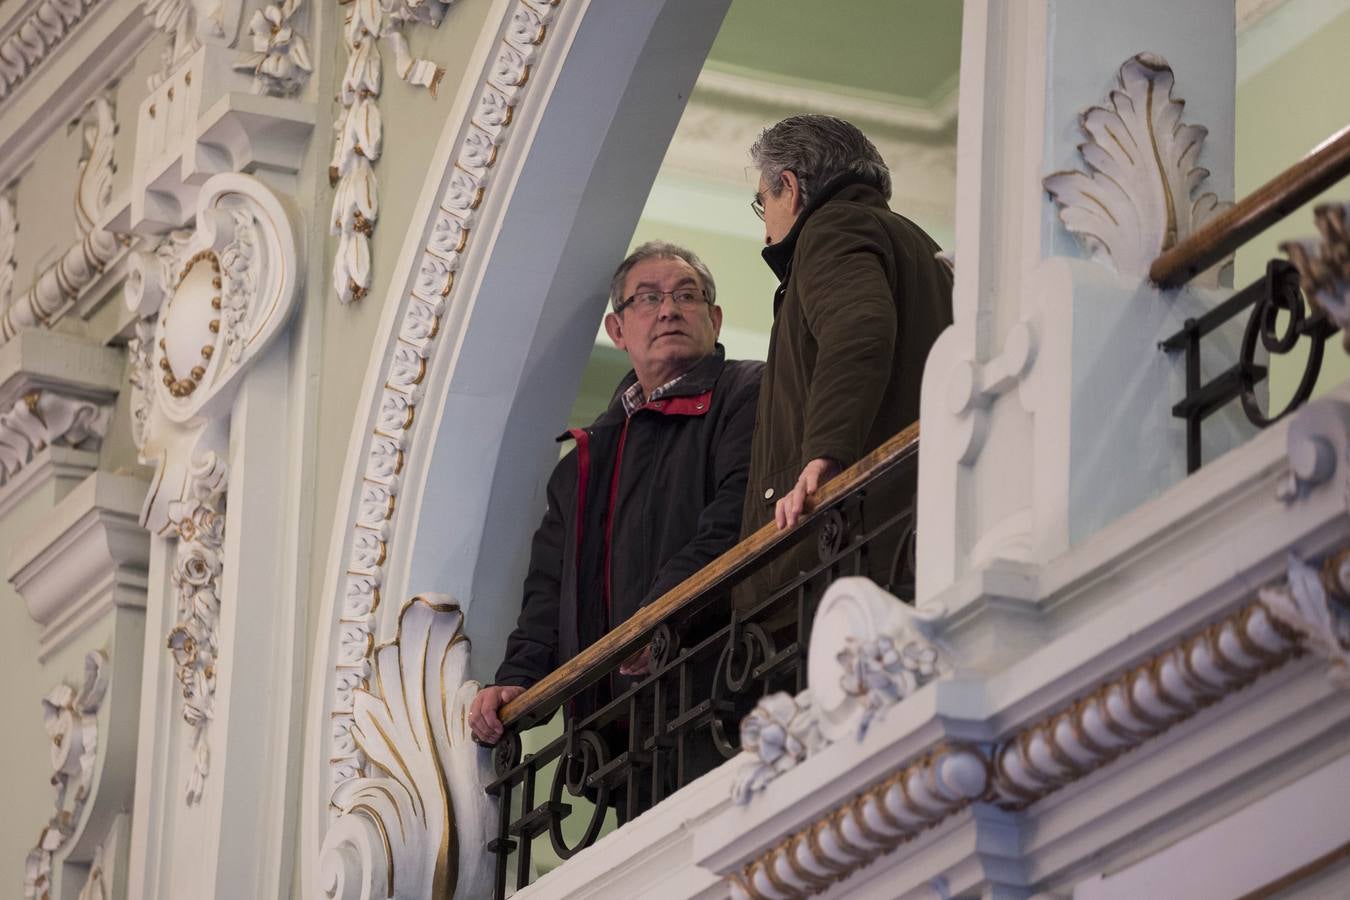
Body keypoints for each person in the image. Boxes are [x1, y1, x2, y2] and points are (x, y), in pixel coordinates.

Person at [469, 241, 762, 751]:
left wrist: (660, 615)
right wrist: (518, 680)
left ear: (714, 320)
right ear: (617, 330)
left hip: (723, 697)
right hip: (612, 747)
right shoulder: (585, 460)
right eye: (647, 298)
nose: (668, 310)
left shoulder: (749, 391)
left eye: (686, 295)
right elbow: (548, 593)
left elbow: (734, 518)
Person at [738, 114, 954, 599]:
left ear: (790, 187)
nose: (765, 227)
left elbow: (858, 329)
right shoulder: (922, 245)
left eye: (762, 202)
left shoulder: (832, 226)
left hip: (844, 550)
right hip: (914, 534)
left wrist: (825, 455)